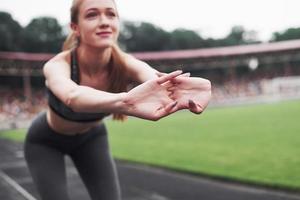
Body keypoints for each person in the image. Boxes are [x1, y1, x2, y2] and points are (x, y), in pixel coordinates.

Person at [24, 0, 211, 200]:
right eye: (92, 15)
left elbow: (155, 78)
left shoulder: (127, 63)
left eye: (111, 14)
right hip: (46, 140)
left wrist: (179, 88)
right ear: (75, 28)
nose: (104, 21)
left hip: (91, 138)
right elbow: (72, 96)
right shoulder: (58, 65)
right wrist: (125, 101)